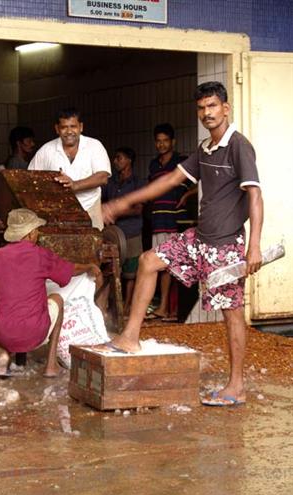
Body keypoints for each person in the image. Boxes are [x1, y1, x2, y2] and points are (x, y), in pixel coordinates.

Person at [100, 81, 263, 407]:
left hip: (227, 246)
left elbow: (255, 196)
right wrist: (121, 203)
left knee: (231, 314)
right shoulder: (204, 149)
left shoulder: (238, 146)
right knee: (148, 260)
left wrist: (254, 246)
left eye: (213, 106)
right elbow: (171, 181)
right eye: (202, 108)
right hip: (199, 239)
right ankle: (130, 337)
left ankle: (237, 385)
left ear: (226, 108)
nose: (207, 113)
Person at [0, 208, 101, 378]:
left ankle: (2, 355)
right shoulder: (38, 254)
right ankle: (51, 365)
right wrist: (89, 266)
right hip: (35, 334)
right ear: (30, 233)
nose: (38, 234)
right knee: (57, 298)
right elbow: (70, 270)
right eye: (37, 231)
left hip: (4, 335)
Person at [28, 107, 111, 230]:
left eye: (73, 126)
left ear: (81, 127)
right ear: (57, 129)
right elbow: (30, 178)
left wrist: (75, 185)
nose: (69, 131)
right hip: (57, 212)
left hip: (89, 207)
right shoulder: (46, 150)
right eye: (64, 127)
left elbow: (103, 177)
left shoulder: (94, 146)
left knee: (92, 246)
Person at [146, 123, 191, 321]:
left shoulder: (182, 162)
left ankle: (173, 310)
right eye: (159, 141)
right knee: (161, 265)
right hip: (158, 220)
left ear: (173, 142)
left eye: (165, 141)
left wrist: (187, 194)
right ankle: (164, 307)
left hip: (175, 220)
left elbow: (201, 183)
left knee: (175, 266)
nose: (162, 144)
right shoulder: (153, 165)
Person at [101, 147, 145, 316]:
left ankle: (127, 308)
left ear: (129, 161)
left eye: (119, 158)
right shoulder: (111, 183)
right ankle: (114, 307)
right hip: (114, 234)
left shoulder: (137, 182)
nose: (115, 161)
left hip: (132, 232)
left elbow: (138, 209)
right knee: (112, 270)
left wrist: (116, 210)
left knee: (131, 273)